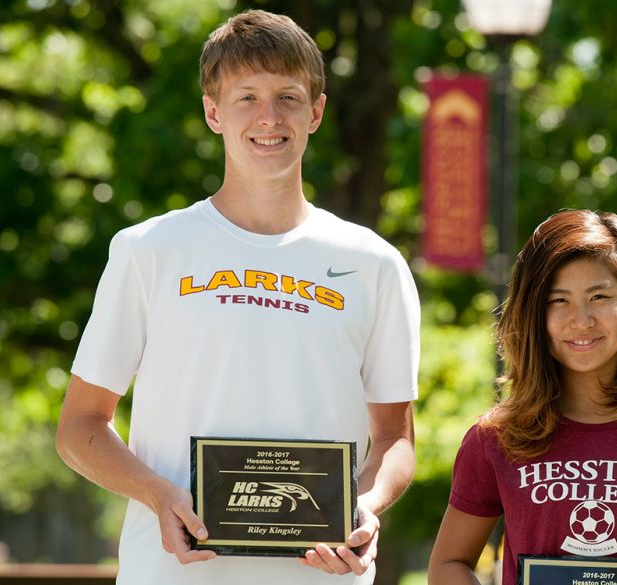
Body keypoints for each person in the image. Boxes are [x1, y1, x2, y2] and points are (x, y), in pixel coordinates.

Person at [56, 10, 419, 585]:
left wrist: (365, 509)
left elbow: (395, 438)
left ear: (316, 113)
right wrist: (156, 494)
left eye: (289, 97)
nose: (268, 117)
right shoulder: (148, 250)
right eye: (246, 96)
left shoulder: (373, 264)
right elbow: (79, 427)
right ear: (212, 111)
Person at [428, 210, 617, 585]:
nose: (582, 320)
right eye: (558, 300)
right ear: (534, 313)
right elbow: (449, 564)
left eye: (599, 296)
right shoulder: (495, 437)